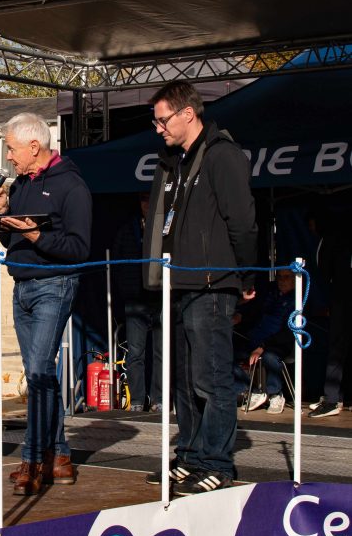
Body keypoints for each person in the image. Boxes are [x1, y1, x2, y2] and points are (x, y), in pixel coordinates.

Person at [142, 81, 258, 495]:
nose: (158, 129)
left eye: (162, 120)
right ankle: (190, 454)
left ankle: (217, 463)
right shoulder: (174, 161)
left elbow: (243, 222)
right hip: (178, 283)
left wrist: (247, 276)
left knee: (212, 378)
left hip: (212, 283)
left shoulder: (222, 155)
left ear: (187, 114)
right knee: (184, 380)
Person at [0, 112, 92, 497]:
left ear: (34, 146)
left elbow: (79, 249)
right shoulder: (20, 185)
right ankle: (59, 455)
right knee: (39, 373)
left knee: (39, 372)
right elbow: (13, 243)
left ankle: (32, 458)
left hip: (54, 285)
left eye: (11, 149)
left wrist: (35, 235)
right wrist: (2, 214)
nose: (8, 157)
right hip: (22, 286)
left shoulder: (71, 186)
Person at [112, 193, 162, 413]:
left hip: (159, 297)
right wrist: (126, 288)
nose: (147, 204)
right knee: (135, 352)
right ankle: (138, 400)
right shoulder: (127, 229)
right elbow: (117, 261)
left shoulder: (164, 228)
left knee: (161, 351)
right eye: (143, 200)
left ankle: (160, 399)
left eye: (150, 200)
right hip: (135, 299)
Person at [234, 268, 296, 414]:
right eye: (279, 277)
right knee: (228, 351)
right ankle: (250, 390)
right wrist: (240, 316)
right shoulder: (270, 295)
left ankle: (275, 394)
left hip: (277, 344)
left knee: (269, 357)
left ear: (295, 280)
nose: (282, 281)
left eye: (287, 277)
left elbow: (287, 333)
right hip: (256, 339)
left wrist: (263, 346)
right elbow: (254, 313)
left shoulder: (297, 300)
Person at [309, 216, 352, 418]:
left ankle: (333, 399)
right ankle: (337, 397)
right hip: (342, 297)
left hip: (342, 299)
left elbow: (323, 270)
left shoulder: (331, 238)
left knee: (337, 348)